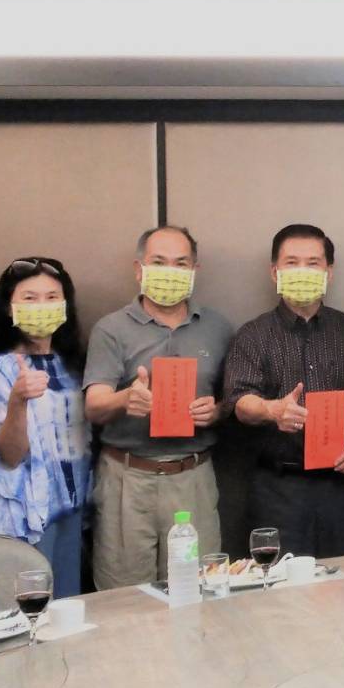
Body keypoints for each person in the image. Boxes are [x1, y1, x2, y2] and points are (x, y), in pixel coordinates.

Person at [83, 226, 233, 590]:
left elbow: (233, 402)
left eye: (181, 263)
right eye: (159, 262)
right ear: (139, 269)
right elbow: (94, 406)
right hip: (128, 478)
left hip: (192, 476)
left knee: (198, 589)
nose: (170, 271)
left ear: (195, 270)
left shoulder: (218, 328)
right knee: (126, 595)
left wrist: (216, 412)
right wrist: (125, 399)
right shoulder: (111, 329)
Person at [223, 225, 344, 558]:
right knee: (282, 581)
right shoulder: (253, 335)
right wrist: (271, 410)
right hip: (279, 488)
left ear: (329, 272)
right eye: (292, 262)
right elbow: (238, 401)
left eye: (313, 263)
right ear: (274, 272)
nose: (302, 271)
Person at [0, 257, 93, 597]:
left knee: (66, 609)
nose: (42, 306)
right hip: (24, 518)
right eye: (30, 297)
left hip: (71, 511)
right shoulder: (0, 368)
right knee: (26, 611)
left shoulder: (73, 365)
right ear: (8, 308)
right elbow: (8, 456)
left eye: (52, 297)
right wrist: (18, 400)